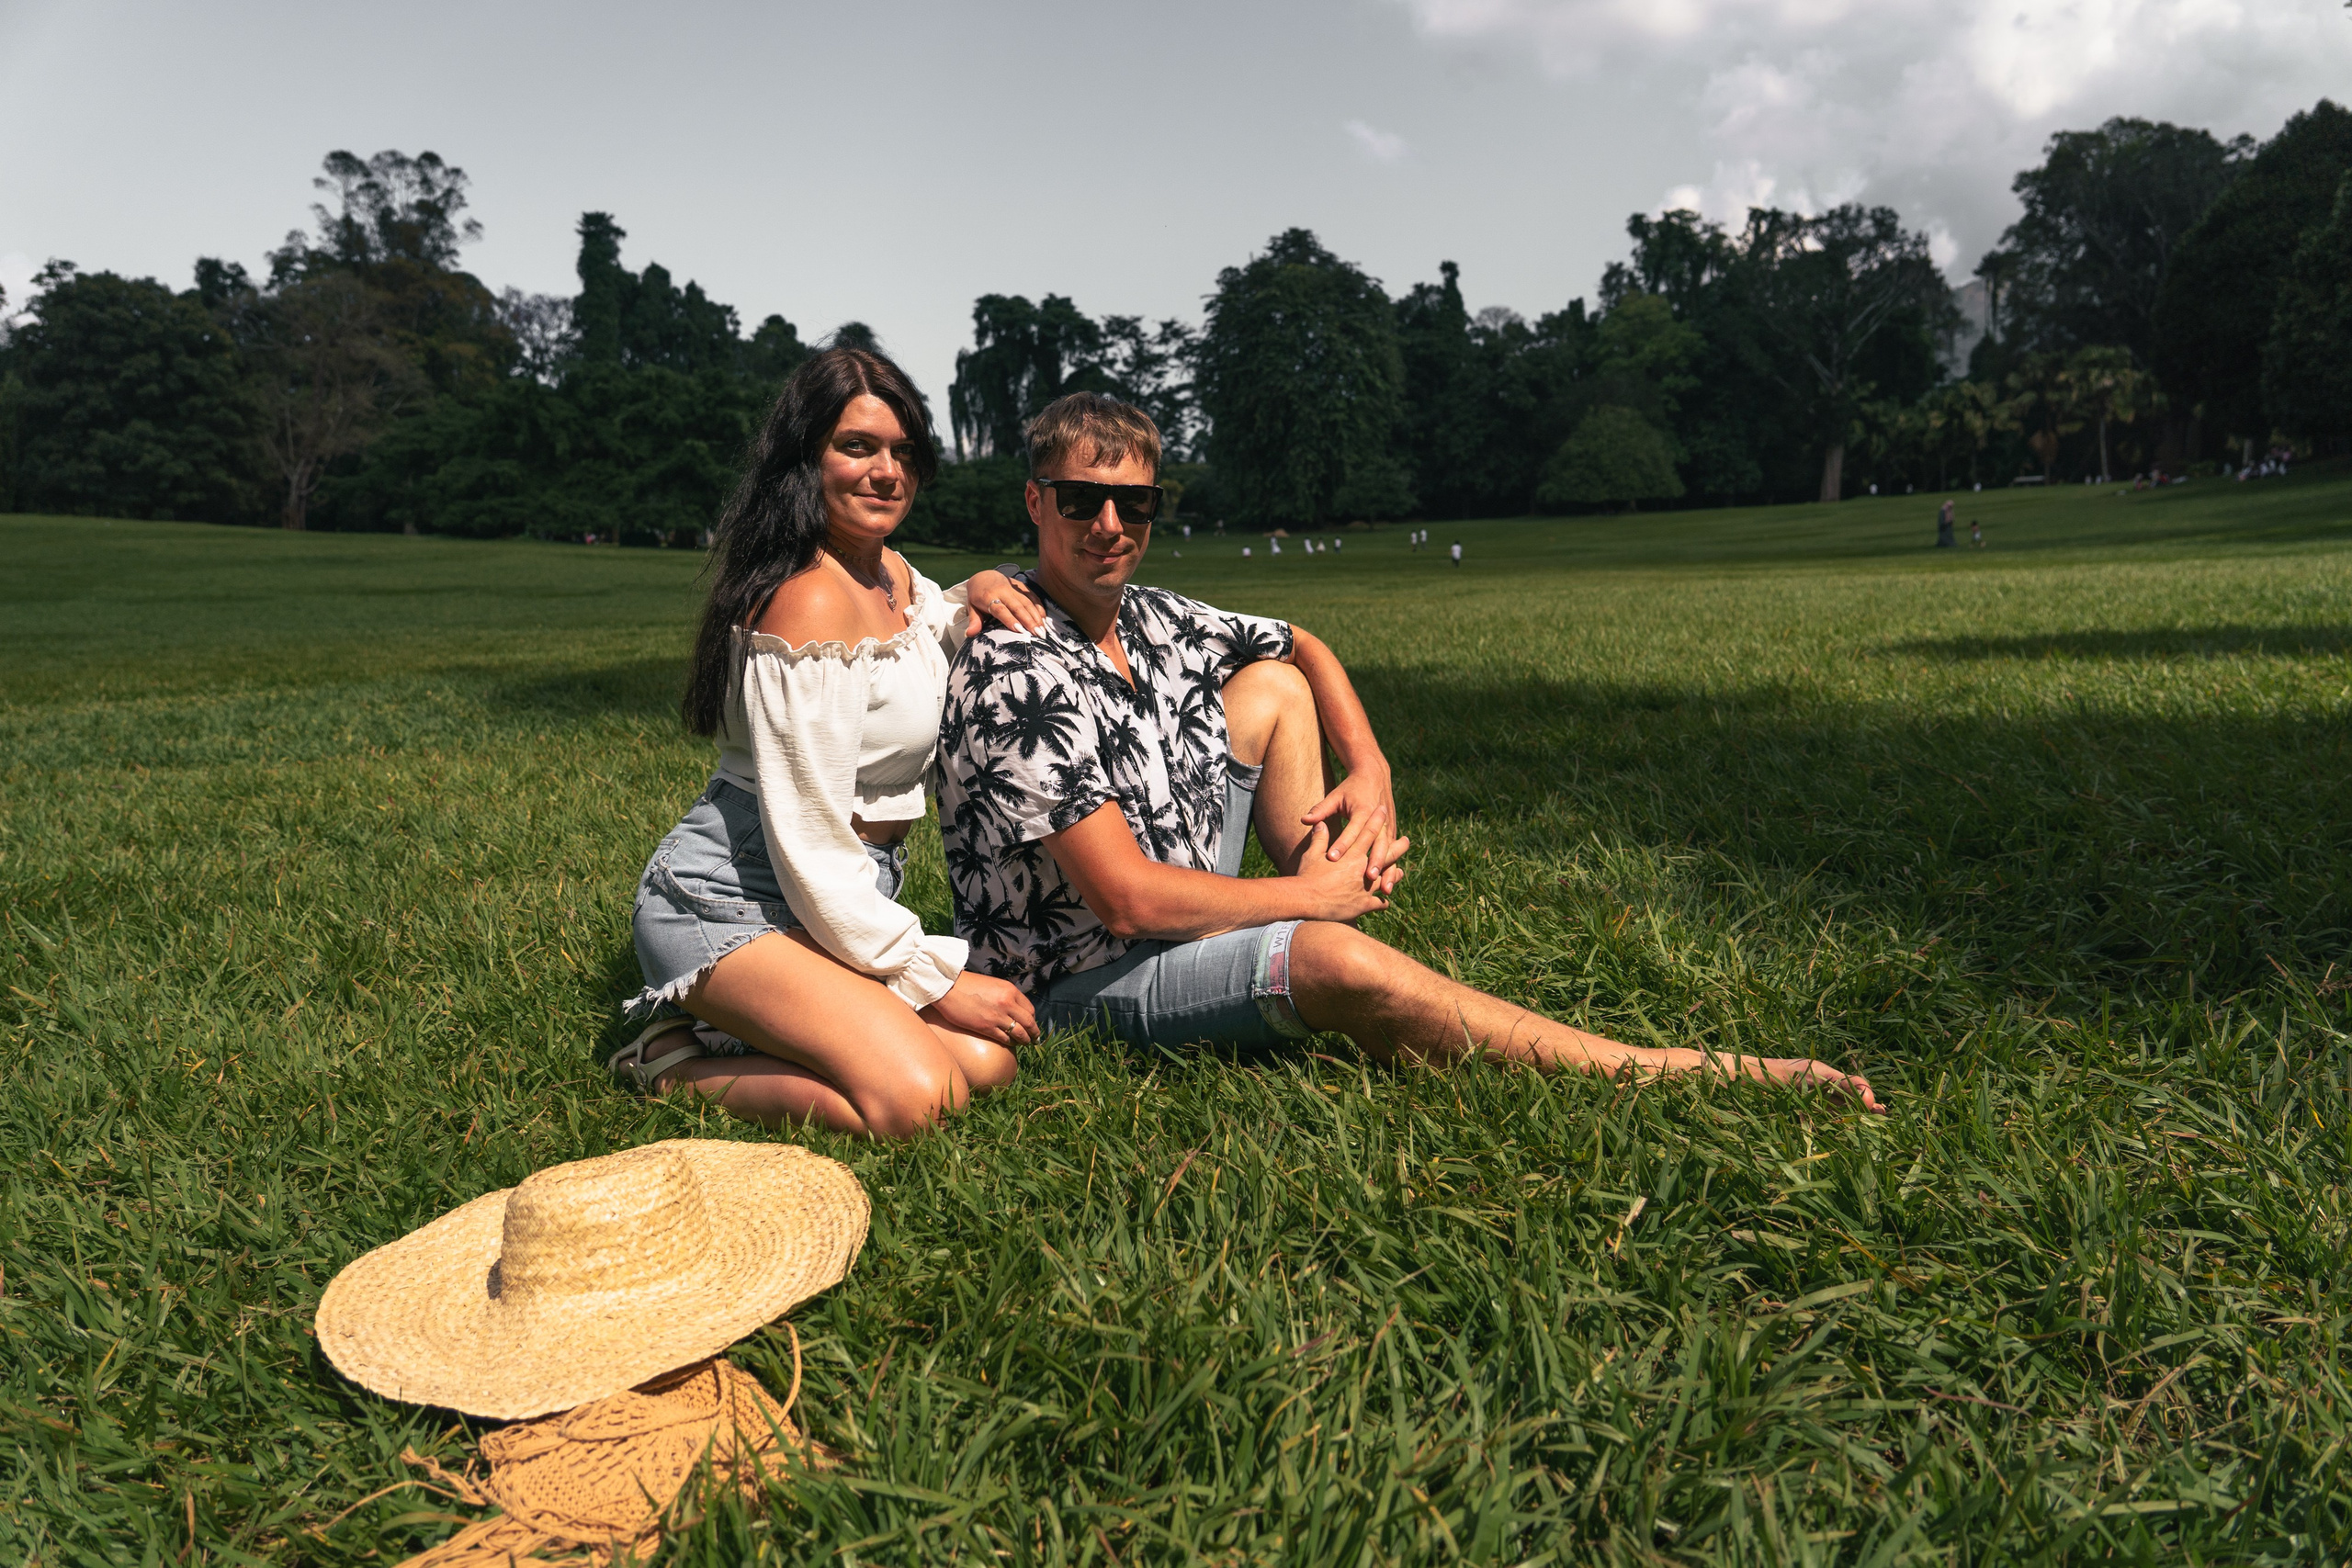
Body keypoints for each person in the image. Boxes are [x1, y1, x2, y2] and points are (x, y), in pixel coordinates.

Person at [933, 393, 1883, 1110]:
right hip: (1074, 980)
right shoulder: (1013, 663)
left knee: (1273, 686)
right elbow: (1126, 900)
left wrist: (1371, 766)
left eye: (1132, 505)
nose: (1109, 526)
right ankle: (1667, 1073)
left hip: (1175, 906)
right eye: (1082, 501)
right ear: (1035, 500)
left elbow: (1297, 641)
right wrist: (1310, 903)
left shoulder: (1155, 618)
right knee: (1329, 963)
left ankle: (1327, 922)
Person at [608, 346, 1051, 1138]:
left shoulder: (889, 576)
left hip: (837, 900)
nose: (886, 472)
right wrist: (932, 980)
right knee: (923, 1099)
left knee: (987, 1062)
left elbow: (912, 647)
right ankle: (666, 1067)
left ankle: (753, 1030)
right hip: (734, 898)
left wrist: (975, 587)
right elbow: (810, 845)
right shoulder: (811, 600)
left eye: (903, 452)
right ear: (805, 458)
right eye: (857, 447)